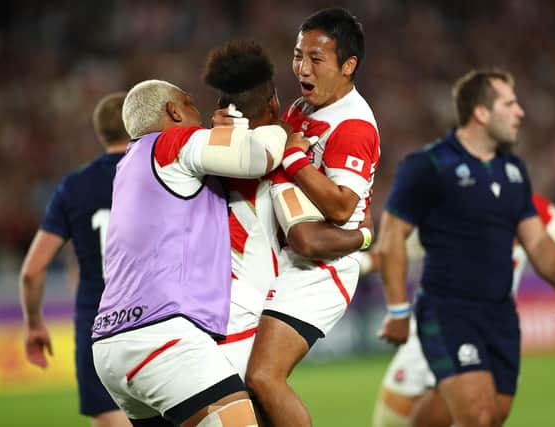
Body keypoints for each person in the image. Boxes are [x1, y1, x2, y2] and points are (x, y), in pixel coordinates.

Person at [376, 68, 555, 427]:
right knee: (476, 416)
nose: (521, 112)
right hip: (448, 311)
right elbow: (392, 236)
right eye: (510, 103)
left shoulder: (514, 171)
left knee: (491, 416)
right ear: (481, 113)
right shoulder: (428, 166)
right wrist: (398, 310)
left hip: (501, 316)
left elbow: (536, 238)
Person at [91, 79, 299, 427]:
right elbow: (256, 155)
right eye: (191, 107)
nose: (201, 117)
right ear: (174, 109)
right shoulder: (171, 141)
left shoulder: (128, 166)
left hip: (110, 347)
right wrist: (281, 131)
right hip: (161, 336)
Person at [202, 40, 372, 380]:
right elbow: (306, 238)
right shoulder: (279, 158)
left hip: (205, 299)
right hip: (245, 306)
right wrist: (364, 235)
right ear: (273, 102)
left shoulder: (200, 150)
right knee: (254, 395)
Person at [244, 8, 381, 427]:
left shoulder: (354, 125)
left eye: (315, 59)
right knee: (244, 383)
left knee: (263, 376)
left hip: (322, 267)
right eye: (298, 55)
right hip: (284, 257)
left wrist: (292, 153)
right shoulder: (303, 107)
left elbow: (341, 206)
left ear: (348, 66)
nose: (302, 68)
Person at [369, 193, 555, 427]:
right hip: (436, 317)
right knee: (392, 416)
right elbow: (397, 249)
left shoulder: (534, 207)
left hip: (489, 327)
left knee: (478, 414)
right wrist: (361, 264)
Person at [19, 92, 132, 427]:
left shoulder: (74, 186)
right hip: (154, 320)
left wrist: (34, 325)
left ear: (101, 133)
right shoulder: (158, 174)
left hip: (97, 326)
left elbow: (31, 271)